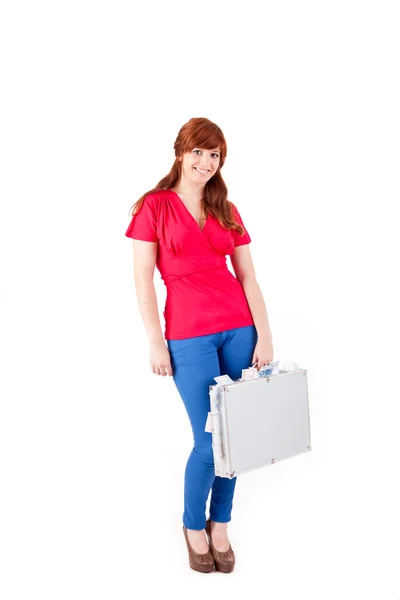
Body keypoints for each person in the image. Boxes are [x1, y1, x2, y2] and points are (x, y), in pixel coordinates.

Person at [125, 117, 273, 573]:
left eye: (215, 156)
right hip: (187, 336)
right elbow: (143, 280)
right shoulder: (154, 206)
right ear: (181, 151)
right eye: (199, 152)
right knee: (209, 439)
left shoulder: (226, 206)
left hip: (238, 329)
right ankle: (193, 525)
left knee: (237, 438)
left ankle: (220, 524)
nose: (206, 162)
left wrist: (264, 334)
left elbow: (247, 275)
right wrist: (155, 342)